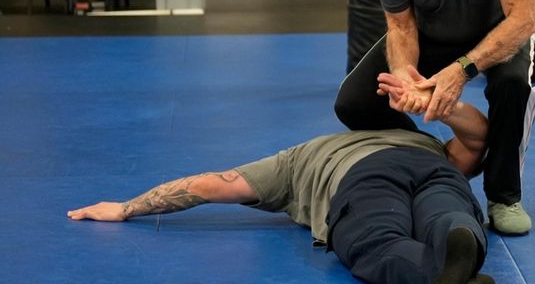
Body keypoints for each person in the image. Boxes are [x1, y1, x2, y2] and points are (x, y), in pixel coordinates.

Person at [68, 91, 495, 284]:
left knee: (375, 240)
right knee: (445, 209)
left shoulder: (301, 157)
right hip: (433, 167)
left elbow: (210, 186)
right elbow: (479, 140)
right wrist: (443, 105)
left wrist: (127, 207)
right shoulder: (425, 140)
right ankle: (456, 235)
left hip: (361, 176)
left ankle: (440, 274)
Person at [335, 0, 535, 235]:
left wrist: (462, 70)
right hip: (431, 31)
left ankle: (503, 195)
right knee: (353, 103)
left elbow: (523, 19)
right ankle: (432, 159)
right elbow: (400, 26)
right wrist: (406, 79)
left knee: (512, 87)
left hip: (498, 30)